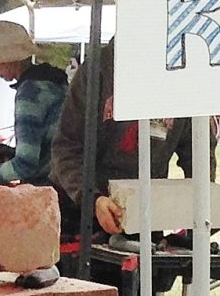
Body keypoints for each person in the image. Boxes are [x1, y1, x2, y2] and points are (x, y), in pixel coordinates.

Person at [49, 38, 191, 236]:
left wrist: (202, 210)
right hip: (80, 214)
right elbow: (66, 146)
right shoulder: (98, 70)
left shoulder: (182, 75)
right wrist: (92, 198)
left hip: (144, 213)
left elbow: (197, 151)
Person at [0, 19, 67, 187]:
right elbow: (49, 148)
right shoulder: (53, 82)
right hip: (69, 182)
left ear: (9, 58)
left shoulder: (30, 94)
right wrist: (13, 152)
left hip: (52, 189)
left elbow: (26, 165)